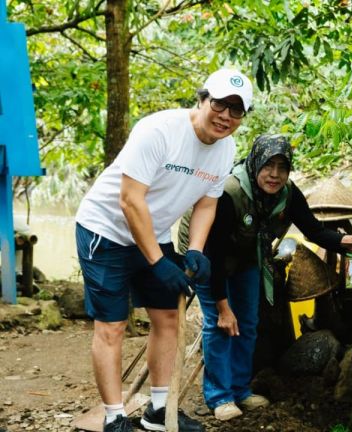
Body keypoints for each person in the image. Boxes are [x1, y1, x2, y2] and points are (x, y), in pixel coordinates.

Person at [75, 68, 253, 432]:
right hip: (105, 230)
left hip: (153, 231)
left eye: (236, 111)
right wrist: (157, 260)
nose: (226, 116)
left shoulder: (226, 148)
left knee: (168, 318)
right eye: (219, 104)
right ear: (202, 99)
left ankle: (158, 410)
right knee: (112, 326)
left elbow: (206, 203)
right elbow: (129, 201)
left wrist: (197, 251)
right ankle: (113, 418)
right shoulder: (158, 131)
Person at [178, 134, 352, 422]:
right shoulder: (229, 193)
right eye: (268, 166)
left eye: (282, 167)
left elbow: (314, 230)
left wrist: (348, 241)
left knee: (247, 322)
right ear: (255, 162)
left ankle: (240, 389)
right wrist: (222, 306)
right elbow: (214, 252)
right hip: (206, 255)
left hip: (247, 255)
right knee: (220, 324)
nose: (275, 175)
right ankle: (219, 397)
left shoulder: (287, 193)